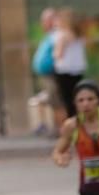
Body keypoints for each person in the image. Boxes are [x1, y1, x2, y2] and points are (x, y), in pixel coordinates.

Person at [32, 7, 63, 135]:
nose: (43, 23)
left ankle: (59, 128)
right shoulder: (48, 36)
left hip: (53, 74)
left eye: (46, 20)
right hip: (46, 75)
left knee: (56, 101)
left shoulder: (57, 35)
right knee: (49, 100)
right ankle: (48, 126)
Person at [53, 8, 87, 118]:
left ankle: (72, 124)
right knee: (77, 97)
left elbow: (58, 54)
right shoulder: (79, 35)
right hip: (78, 70)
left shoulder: (62, 35)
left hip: (64, 70)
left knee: (67, 100)